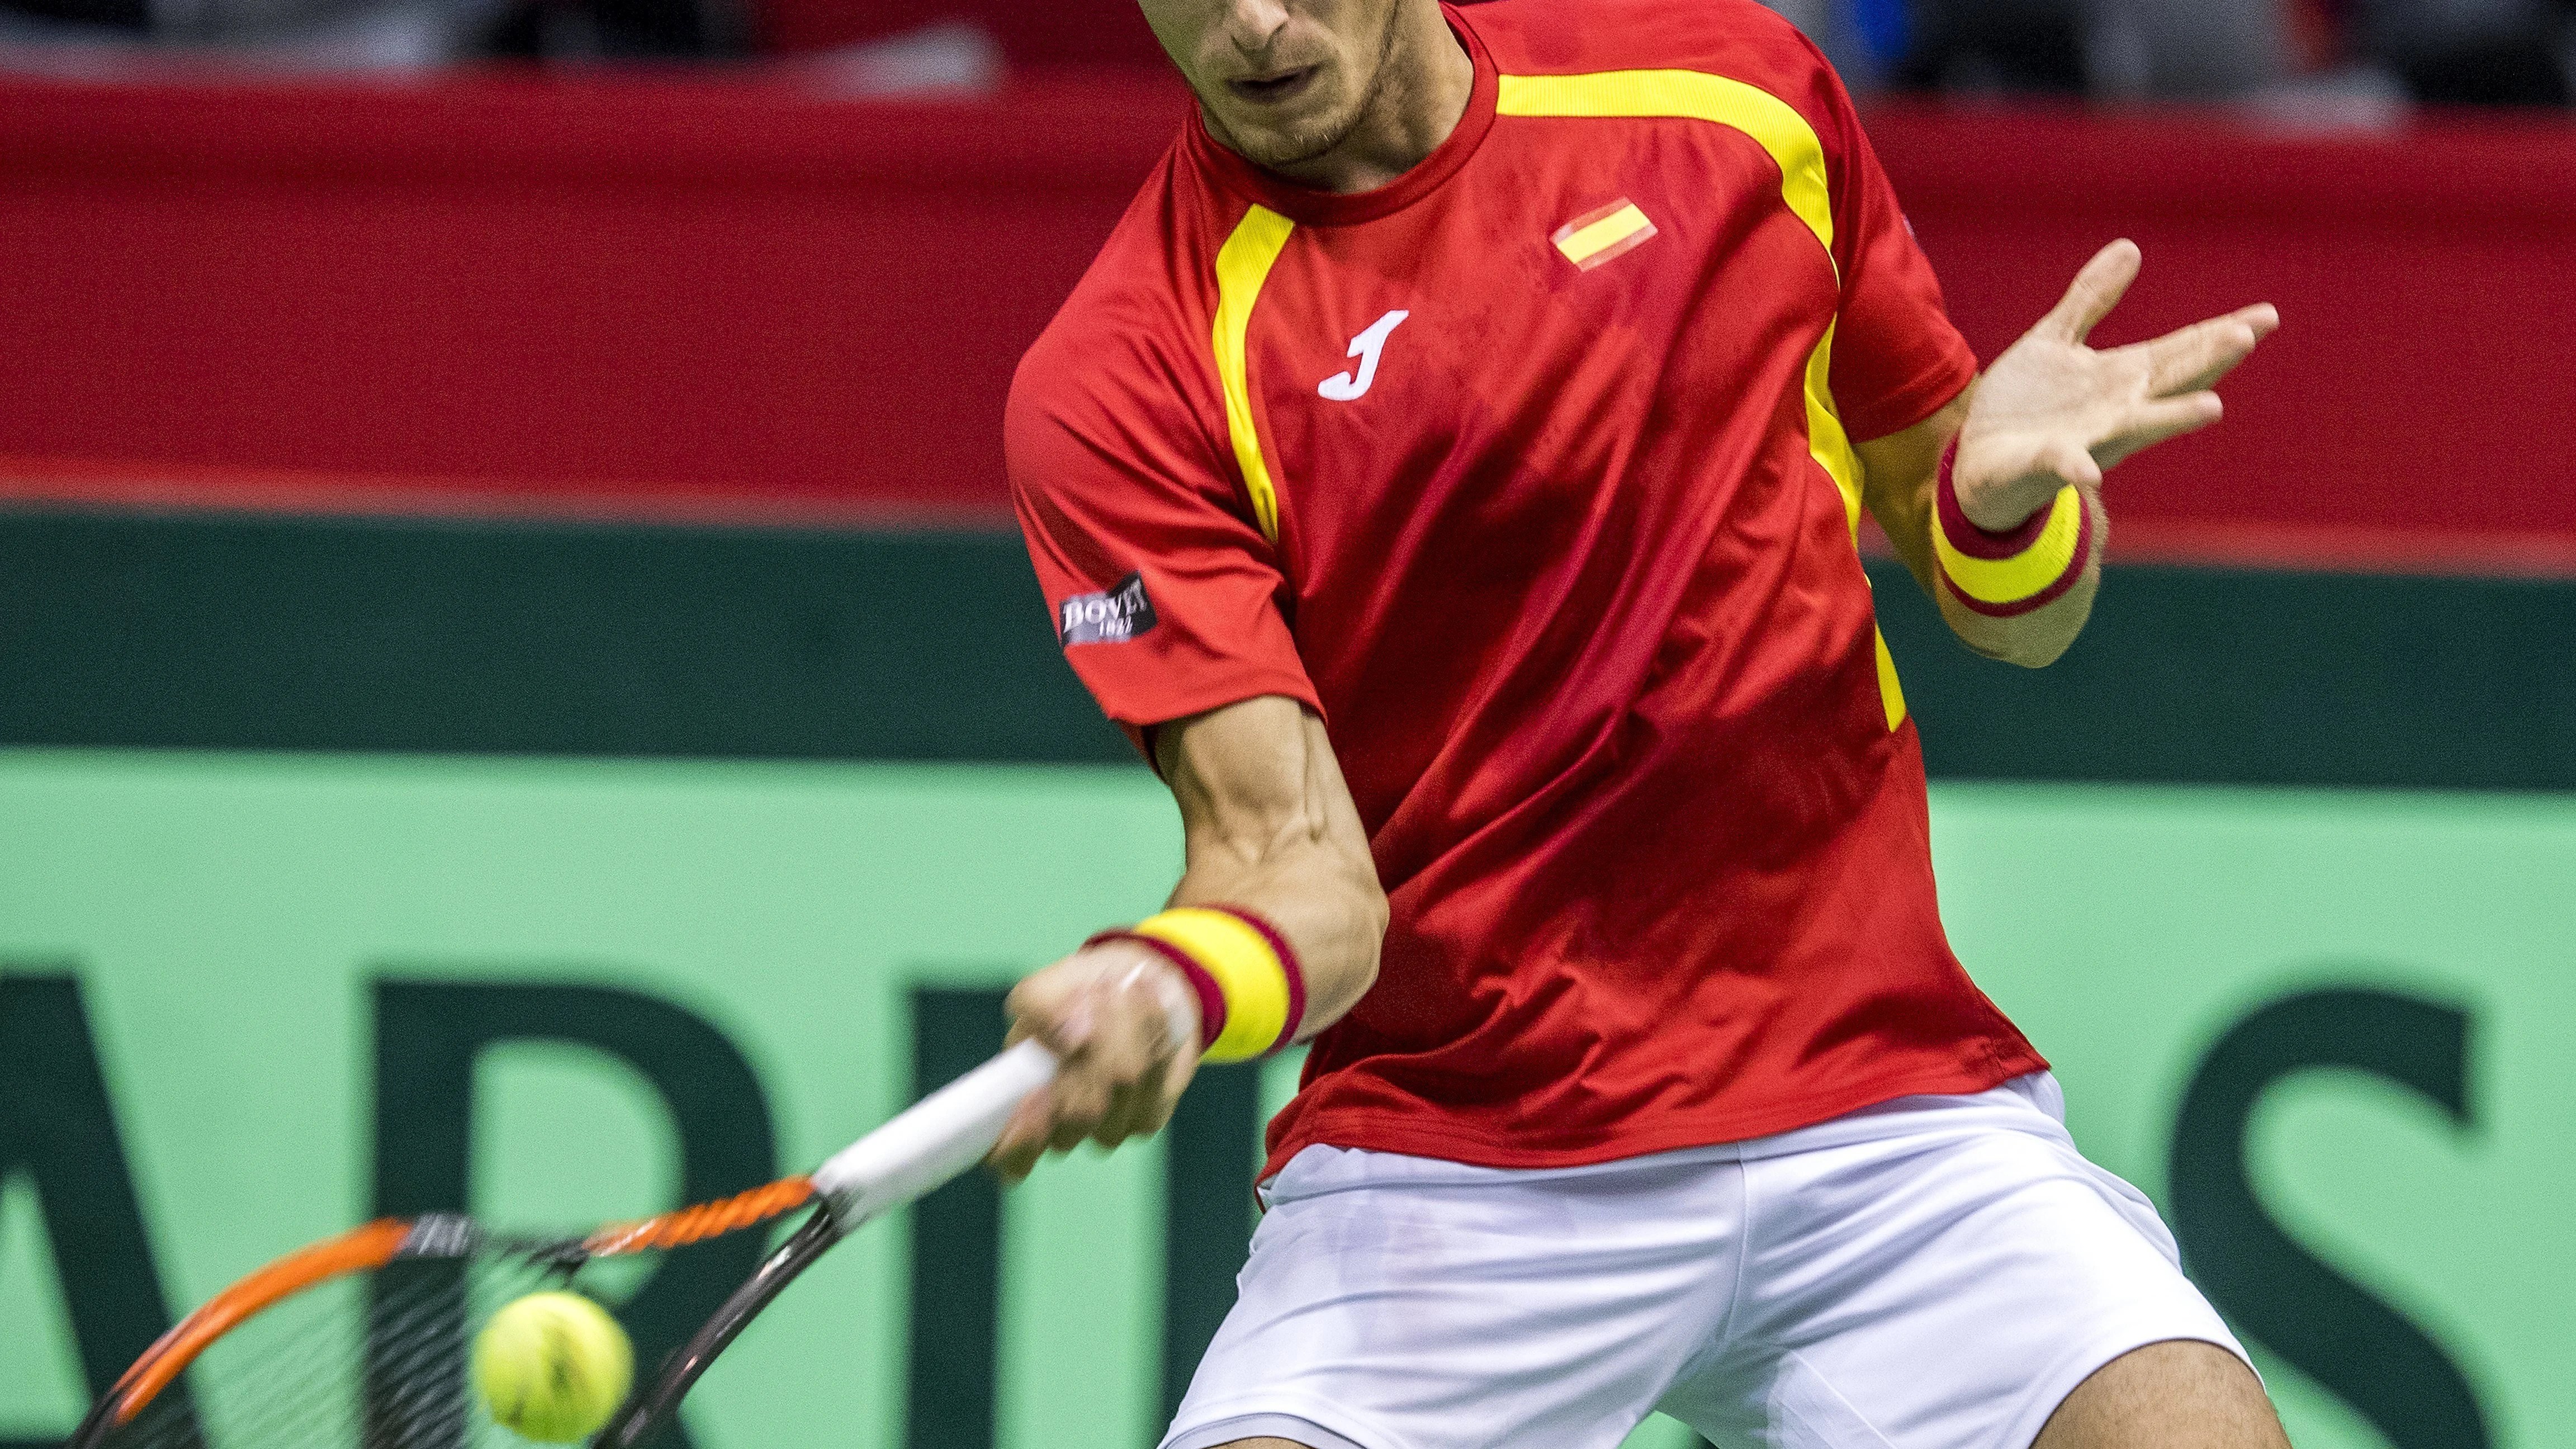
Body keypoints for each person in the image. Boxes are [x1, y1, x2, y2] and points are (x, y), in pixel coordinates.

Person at [993, 0, 2284, 1444]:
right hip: (1456, 1171)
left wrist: (2001, 516)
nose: (1254, 25)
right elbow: (1300, 878)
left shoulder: (1732, 94)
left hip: (1877, 1109)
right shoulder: (1123, 376)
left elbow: (2008, 606)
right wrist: (1169, 987)